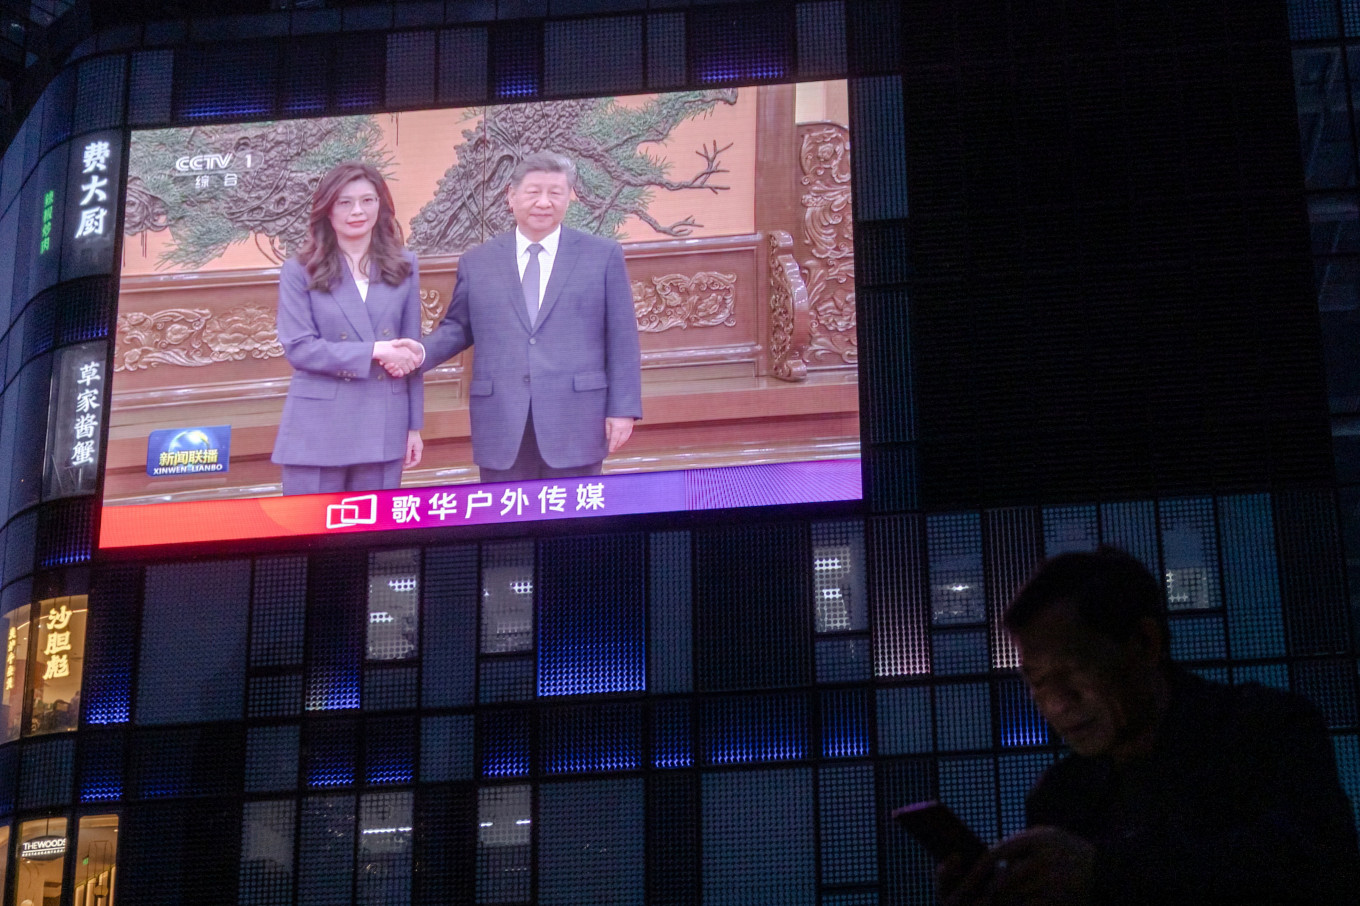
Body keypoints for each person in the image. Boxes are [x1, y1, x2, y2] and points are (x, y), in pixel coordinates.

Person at [942, 546, 1359, 906]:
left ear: (1145, 643)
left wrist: (1104, 877)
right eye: (1035, 682)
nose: (1055, 703)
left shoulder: (1266, 731)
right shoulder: (1061, 796)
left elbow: (1313, 866)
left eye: (1074, 670)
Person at [392, 151, 642, 482]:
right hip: (502, 418)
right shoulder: (478, 262)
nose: (543, 202)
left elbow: (622, 338)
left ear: (571, 197)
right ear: (511, 196)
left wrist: (622, 409)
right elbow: (457, 328)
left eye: (555, 192)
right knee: (506, 520)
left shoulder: (602, 255)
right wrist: (418, 354)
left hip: (576, 417)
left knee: (573, 524)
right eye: (533, 191)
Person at [271, 161, 425, 495]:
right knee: (312, 537)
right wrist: (374, 350)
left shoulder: (405, 264)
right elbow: (300, 348)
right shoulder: (300, 270)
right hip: (319, 426)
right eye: (345, 202)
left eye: (368, 200)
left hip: (384, 421)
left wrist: (414, 427)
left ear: (380, 205)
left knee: (372, 538)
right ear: (327, 210)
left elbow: (411, 352)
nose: (358, 211)